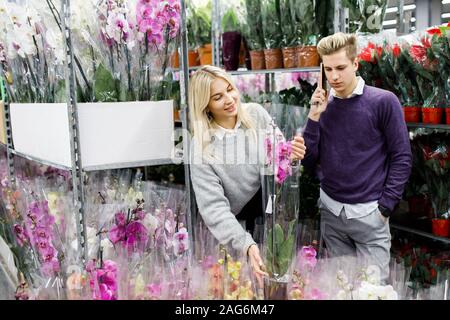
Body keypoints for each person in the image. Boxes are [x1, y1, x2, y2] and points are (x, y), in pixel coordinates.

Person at [302, 33, 412, 283]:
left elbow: (402, 156)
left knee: (374, 291)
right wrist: (314, 117)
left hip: (369, 215)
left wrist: (385, 207)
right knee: (340, 289)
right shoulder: (322, 105)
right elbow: (309, 161)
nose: (334, 77)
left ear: (355, 64)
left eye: (341, 67)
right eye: (328, 69)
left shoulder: (383, 101)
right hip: (331, 211)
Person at [188, 65, 306, 285]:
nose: (230, 99)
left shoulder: (255, 115)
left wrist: (292, 155)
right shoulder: (201, 147)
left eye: (230, 89)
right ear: (206, 106)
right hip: (231, 232)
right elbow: (214, 209)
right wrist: (245, 244)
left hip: (270, 222)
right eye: (218, 97)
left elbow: (279, 160)